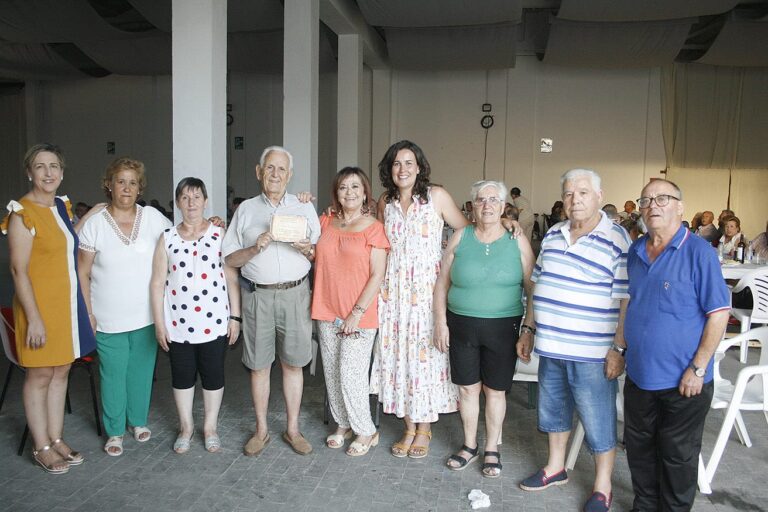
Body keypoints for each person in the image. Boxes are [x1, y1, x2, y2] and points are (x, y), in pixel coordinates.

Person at [517, 168, 631, 512]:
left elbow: (626, 298)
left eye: (583, 193)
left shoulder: (617, 238)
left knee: (598, 419)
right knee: (554, 410)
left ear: (599, 196)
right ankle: (556, 468)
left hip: (592, 351)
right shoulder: (554, 233)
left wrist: (618, 347)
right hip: (552, 344)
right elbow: (537, 285)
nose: (575, 199)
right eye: (568, 193)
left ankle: (602, 486)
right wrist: (529, 328)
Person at [621, 180, 730, 511]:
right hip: (639, 374)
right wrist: (619, 350)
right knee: (639, 450)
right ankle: (645, 505)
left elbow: (719, 314)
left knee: (677, 455)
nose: (653, 205)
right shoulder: (635, 251)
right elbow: (631, 302)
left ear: (680, 207)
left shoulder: (699, 252)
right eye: (646, 200)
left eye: (663, 198)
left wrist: (698, 367)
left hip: (684, 380)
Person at [370, 140, 468, 459]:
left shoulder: (436, 196)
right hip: (393, 294)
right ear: (390, 169)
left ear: (419, 167)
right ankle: (409, 426)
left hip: (427, 292)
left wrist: (448, 259)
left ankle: (424, 427)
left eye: (409, 163)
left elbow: (466, 231)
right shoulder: (385, 202)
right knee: (399, 357)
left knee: (425, 358)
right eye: (397, 163)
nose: (403, 169)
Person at [3, 143, 97, 473]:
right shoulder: (22, 213)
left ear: (61, 172)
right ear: (29, 172)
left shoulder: (60, 206)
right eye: (40, 166)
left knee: (61, 371)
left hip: (65, 307)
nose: (48, 172)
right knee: (40, 374)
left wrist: (92, 215)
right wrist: (34, 319)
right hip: (38, 309)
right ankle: (40, 445)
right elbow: (18, 270)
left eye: (54, 166)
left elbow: (65, 242)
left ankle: (56, 438)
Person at [223, 145, 320, 456]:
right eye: (269, 168)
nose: (275, 174)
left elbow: (318, 253)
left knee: (293, 364)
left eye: (281, 169)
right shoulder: (246, 210)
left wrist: (306, 249)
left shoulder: (303, 207)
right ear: (258, 172)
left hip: (295, 295)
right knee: (259, 366)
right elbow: (230, 259)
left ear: (289, 175)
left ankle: (293, 430)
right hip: (258, 297)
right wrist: (254, 248)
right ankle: (261, 430)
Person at [434, 180, 534, 477]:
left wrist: (528, 328)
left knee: (495, 391)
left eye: (493, 200)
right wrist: (440, 321)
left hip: (503, 327)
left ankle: (492, 448)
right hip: (461, 325)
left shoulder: (516, 240)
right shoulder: (460, 236)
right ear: (472, 206)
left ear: (503, 206)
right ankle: (469, 445)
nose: (486, 205)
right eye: (480, 200)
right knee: (467, 389)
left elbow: (532, 288)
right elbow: (442, 284)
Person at [77, 157, 173, 456]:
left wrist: (211, 225)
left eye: (133, 182)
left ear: (140, 188)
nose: (127, 188)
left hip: (147, 314)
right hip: (107, 316)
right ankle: (115, 431)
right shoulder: (95, 224)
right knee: (113, 374)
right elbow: (82, 271)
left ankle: (138, 421)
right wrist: (88, 313)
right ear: (109, 185)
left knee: (141, 372)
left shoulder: (154, 218)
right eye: (121, 181)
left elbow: (180, 241)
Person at [150, 178, 241, 454]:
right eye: (185, 198)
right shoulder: (167, 238)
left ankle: (210, 428)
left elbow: (231, 278)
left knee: (213, 375)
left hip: (214, 321)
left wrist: (235, 317)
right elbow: (157, 283)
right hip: (178, 324)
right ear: (177, 202)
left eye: (196, 197)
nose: (191, 203)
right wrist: (159, 324)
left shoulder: (219, 234)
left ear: (205, 201)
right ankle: (186, 427)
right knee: (182, 377)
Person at [311, 167, 389, 456]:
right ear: (336, 193)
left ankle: (366, 430)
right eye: (343, 187)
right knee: (332, 373)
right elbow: (310, 250)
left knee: (350, 374)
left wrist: (356, 313)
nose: (350, 192)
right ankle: (343, 423)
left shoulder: (374, 227)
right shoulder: (324, 221)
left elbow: (378, 274)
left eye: (355, 187)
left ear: (365, 192)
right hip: (326, 307)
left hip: (359, 314)